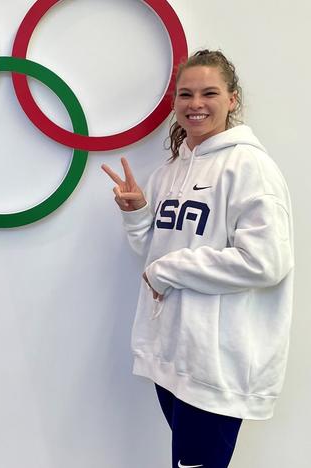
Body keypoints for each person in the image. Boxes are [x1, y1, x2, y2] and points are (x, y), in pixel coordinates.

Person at [101, 50, 294, 468]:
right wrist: (135, 213)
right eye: (185, 94)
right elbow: (150, 254)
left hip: (216, 367)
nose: (196, 103)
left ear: (233, 99)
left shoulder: (250, 168)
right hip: (172, 358)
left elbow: (266, 261)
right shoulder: (169, 172)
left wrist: (170, 269)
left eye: (209, 92)